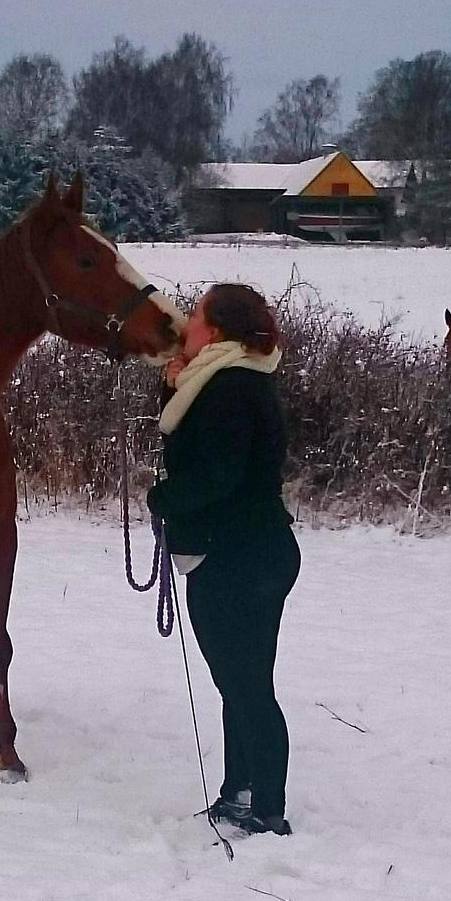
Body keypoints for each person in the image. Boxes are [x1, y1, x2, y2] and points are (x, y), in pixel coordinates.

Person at [146, 283, 300, 836]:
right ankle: (242, 794)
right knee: (240, 683)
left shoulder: (229, 387)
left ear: (214, 330)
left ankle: (268, 808)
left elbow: (217, 475)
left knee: (247, 687)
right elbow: (201, 445)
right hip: (253, 551)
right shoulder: (231, 379)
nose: (185, 324)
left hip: (239, 556)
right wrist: (172, 388)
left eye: (194, 317)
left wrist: (163, 498)